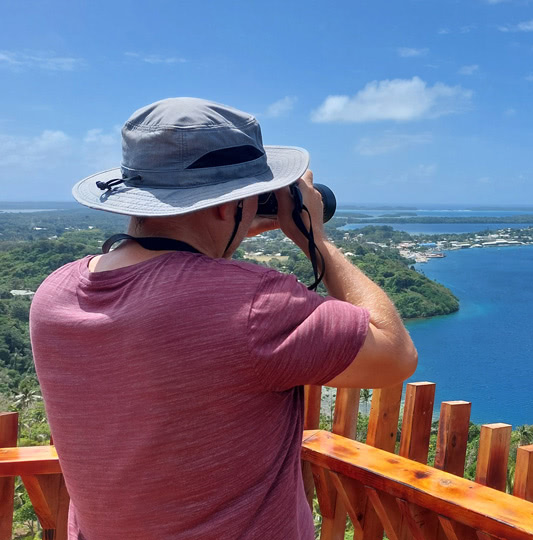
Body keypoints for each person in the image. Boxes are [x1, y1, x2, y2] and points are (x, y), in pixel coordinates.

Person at [28, 97, 417, 539]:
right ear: (225, 203)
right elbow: (396, 355)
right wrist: (315, 239)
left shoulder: (53, 294)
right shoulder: (252, 303)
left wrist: (219, 225)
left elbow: (175, 302)